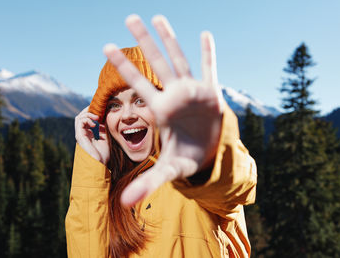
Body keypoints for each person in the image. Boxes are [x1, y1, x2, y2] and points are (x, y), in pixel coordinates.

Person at [65, 14, 257, 258]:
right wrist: (91, 166)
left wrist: (206, 158)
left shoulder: (194, 181)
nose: (127, 115)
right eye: (114, 105)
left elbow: (235, 184)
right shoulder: (110, 191)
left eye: (140, 100)